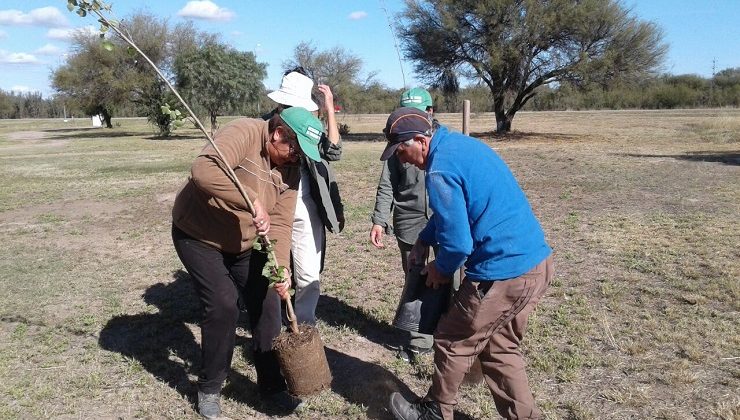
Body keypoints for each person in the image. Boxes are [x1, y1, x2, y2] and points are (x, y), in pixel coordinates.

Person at [381, 107, 554, 420]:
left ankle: (434, 412)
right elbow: (459, 210)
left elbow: (459, 243)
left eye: (402, 150)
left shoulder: (439, 170)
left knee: (451, 338)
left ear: (420, 140)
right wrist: (424, 237)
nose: (401, 159)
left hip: (502, 274)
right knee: (500, 348)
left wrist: (440, 269)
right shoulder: (460, 146)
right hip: (535, 264)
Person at [171, 107, 325, 418]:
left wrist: (280, 269)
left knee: (268, 299)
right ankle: (210, 388)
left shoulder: (292, 168)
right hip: (199, 235)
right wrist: (252, 199)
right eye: (294, 149)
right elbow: (203, 170)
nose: (296, 158)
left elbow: (280, 221)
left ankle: (272, 386)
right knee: (223, 305)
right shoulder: (245, 131)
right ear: (278, 134)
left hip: (243, 242)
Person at [264, 68, 344, 326]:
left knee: (309, 269)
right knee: (276, 266)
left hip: (307, 204)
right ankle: (273, 322)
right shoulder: (266, 126)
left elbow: (333, 152)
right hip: (275, 205)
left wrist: (330, 108)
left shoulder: (309, 126)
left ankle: (304, 324)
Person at [370, 87, 438, 363]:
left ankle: (447, 335)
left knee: (452, 279)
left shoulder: (445, 142)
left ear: (431, 112)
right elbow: (387, 184)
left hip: (445, 220)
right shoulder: (398, 142)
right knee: (416, 280)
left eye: (420, 112)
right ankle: (420, 340)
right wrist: (379, 220)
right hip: (409, 222)